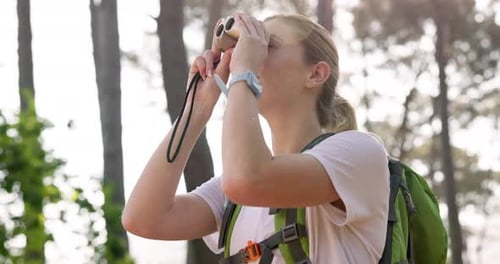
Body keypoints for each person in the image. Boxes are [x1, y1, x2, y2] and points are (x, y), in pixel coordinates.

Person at [122, 12, 390, 263]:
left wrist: (243, 74)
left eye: (267, 44)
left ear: (315, 74)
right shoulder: (232, 196)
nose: (248, 53)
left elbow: (247, 179)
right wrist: (196, 110)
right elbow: (143, 218)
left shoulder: (358, 153)